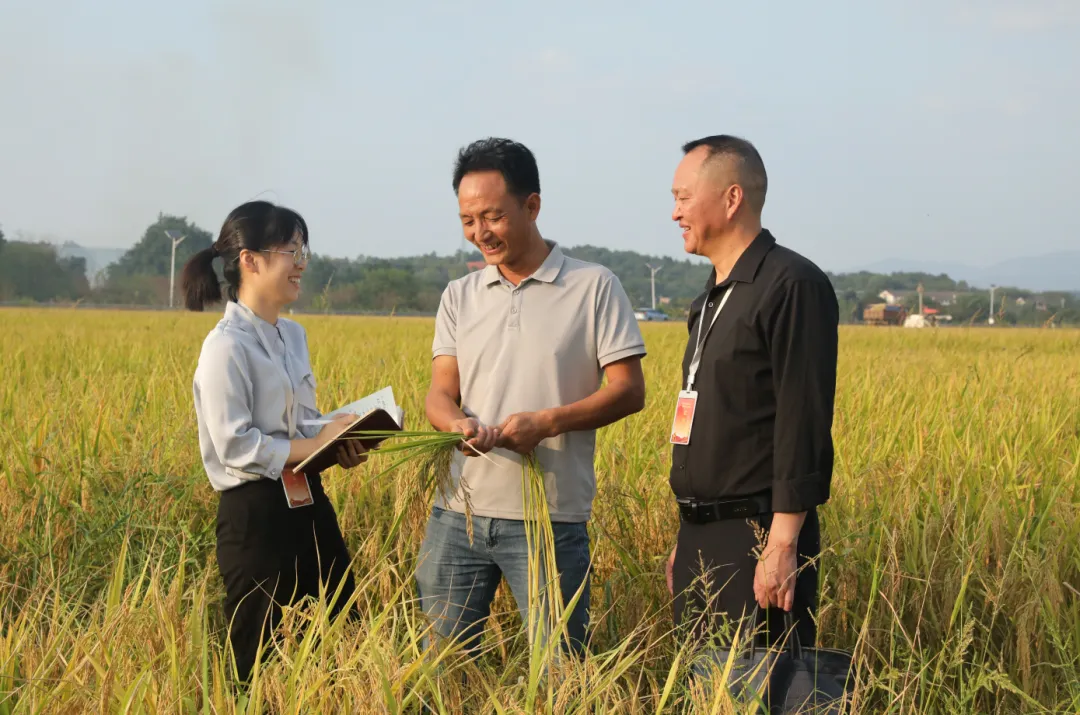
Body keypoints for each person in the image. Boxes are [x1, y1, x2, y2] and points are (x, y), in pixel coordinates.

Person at [416, 138, 647, 656]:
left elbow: (629, 391)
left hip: (549, 516)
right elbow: (439, 393)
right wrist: (457, 426)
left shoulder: (594, 287)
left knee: (560, 669)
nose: (480, 233)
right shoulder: (460, 295)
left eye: (493, 216)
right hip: (458, 512)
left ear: (532, 206)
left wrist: (546, 422)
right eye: (468, 220)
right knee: (442, 667)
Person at [662, 136, 838, 661]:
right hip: (701, 536)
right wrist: (687, 535)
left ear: (732, 197)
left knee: (759, 689)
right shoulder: (711, 297)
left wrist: (782, 544)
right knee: (702, 690)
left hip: (758, 537)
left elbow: (802, 421)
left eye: (683, 197)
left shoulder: (791, 285)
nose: (674, 213)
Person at [182, 200, 368, 683]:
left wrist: (338, 441)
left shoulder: (294, 335)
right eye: (291, 250)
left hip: (309, 504)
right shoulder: (225, 346)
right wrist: (314, 443)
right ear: (250, 259)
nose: (301, 263)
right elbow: (237, 446)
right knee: (259, 658)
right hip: (255, 515)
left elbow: (302, 427)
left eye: (301, 249)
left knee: (341, 635)